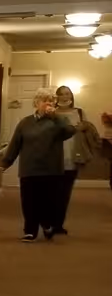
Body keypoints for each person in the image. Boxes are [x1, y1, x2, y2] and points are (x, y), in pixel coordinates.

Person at [1, 88, 79, 241]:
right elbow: (15, 144)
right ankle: (30, 231)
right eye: (45, 101)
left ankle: (47, 224)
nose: (48, 104)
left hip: (51, 169)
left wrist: (55, 117)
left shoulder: (58, 121)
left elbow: (70, 131)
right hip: (29, 168)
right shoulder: (25, 123)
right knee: (29, 202)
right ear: (36, 103)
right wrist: (6, 163)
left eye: (51, 101)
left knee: (48, 202)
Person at [50, 85, 100, 233]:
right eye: (62, 94)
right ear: (57, 97)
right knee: (52, 193)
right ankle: (49, 222)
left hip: (72, 158)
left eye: (68, 94)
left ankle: (58, 225)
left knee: (65, 193)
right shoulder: (52, 113)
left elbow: (88, 129)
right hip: (54, 158)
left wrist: (85, 127)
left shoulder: (79, 112)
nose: (65, 97)